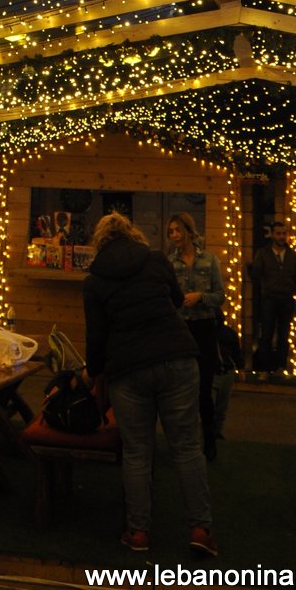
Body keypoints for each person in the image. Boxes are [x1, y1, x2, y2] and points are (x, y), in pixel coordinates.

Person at [82, 211, 216, 557]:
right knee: (187, 447)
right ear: (131, 233)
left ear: (101, 241)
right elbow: (175, 301)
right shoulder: (155, 260)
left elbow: (96, 336)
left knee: (137, 452)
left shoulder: (95, 278)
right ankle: (201, 529)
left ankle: (139, 533)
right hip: (176, 356)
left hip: (128, 368)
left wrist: (93, 372)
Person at [166, 212, 224, 459]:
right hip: (181, 331)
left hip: (204, 328)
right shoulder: (170, 264)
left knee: (204, 387)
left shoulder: (209, 261)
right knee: (180, 388)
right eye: (171, 232)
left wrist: (201, 297)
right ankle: (182, 441)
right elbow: (167, 299)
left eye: (178, 230)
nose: (175, 236)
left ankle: (209, 440)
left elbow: (220, 296)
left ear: (189, 231)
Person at [250, 219, 296, 376]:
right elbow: (256, 275)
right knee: (266, 334)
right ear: (272, 235)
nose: (282, 237)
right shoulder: (263, 253)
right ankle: (265, 368)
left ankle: (280, 367)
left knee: (284, 335)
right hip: (269, 298)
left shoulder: (293, 256)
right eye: (279, 233)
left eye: (284, 233)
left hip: (287, 299)